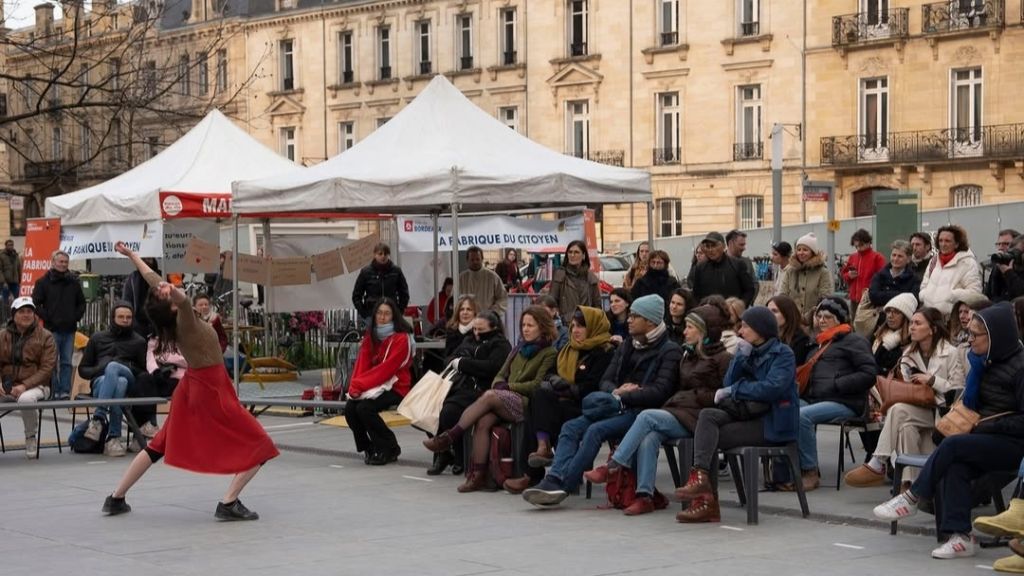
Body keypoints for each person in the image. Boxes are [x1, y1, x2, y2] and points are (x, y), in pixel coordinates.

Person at [103, 242, 279, 521]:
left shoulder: (175, 318)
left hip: (193, 386)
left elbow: (154, 281)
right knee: (261, 444)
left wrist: (132, 256)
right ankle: (229, 503)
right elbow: (182, 300)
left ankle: (116, 498)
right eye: (168, 293)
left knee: (158, 445)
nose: (169, 286)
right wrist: (170, 291)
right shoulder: (186, 321)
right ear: (172, 306)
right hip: (211, 389)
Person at [874, 302, 1024, 560]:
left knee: (954, 447)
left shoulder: (1020, 367)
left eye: (976, 335)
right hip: (985, 438)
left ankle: (912, 497)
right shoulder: (982, 363)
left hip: (1013, 444)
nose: (970, 340)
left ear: (996, 336)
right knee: (955, 466)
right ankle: (960, 537)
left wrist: (985, 425)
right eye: (969, 334)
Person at [521, 294, 682, 507]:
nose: (629, 320)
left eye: (635, 316)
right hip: (613, 404)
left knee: (594, 431)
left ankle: (564, 485)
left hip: (641, 412)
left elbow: (661, 391)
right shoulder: (627, 346)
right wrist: (617, 392)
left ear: (650, 321)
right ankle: (553, 478)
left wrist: (626, 396)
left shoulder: (669, 350)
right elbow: (605, 380)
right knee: (571, 427)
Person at [593, 302, 732, 515]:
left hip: (698, 418)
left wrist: (692, 396)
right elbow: (678, 387)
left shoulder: (723, 359)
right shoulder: (689, 355)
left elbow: (722, 395)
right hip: (680, 411)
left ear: (704, 331)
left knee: (647, 416)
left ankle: (614, 465)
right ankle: (644, 495)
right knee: (649, 437)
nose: (684, 331)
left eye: (690, 327)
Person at [675, 306, 798, 523]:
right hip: (744, 412)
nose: (740, 331)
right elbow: (727, 383)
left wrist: (737, 390)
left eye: (746, 327)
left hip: (771, 422)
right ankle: (701, 480)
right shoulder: (747, 350)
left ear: (761, 329)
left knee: (709, 439)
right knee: (707, 416)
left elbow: (771, 388)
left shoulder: (783, 354)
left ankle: (706, 502)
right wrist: (740, 357)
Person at [424, 306, 557, 493]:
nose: (525, 329)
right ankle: (477, 475)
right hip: (503, 398)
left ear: (542, 327)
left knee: (489, 395)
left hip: (524, 402)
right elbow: (499, 375)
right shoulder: (518, 348)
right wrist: (500, 385)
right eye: (523, 325)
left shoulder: (549, 352)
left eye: (530, 325)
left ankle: (450, 436)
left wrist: (509, 387)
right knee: (483, 421)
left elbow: (536, 385)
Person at [845, 307, 964, 489]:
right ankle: (908, 485)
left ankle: (878, 462)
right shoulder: (908, 353)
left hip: (943, 413)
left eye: (918, 323)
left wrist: (932, 381)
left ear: (932, 329)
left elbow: (958, 391)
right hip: (918, 410)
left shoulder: (951, 352)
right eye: (912, 323)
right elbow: (910, 390)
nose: (912, 327)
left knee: (898, 410)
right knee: (906, 426)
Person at [512, 306, 615, 493]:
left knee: (544, 405)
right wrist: (554, 381)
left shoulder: (604, 352)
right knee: (537, 400)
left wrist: (567, 388)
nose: (575, 330)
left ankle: (535, 472)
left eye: (581, 326)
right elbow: (550, 373)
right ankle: (540, 452)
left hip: (586, 406)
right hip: (562, 401)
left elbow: (593, 387)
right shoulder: (568, 349)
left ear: (593, 327)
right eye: (573, 326)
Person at [797, 296, 878, 490]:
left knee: (801, 416)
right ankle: (788, 468)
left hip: (845, 401)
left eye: (828, 317)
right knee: (784, 407)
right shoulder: (817, 343)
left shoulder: (854, 341)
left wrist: (838, 384)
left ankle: (810, 471)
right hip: (816, 399)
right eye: (819, 316)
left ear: (840, 319)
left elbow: (869, 374)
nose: (822, 320)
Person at [427, 310, 511, 476]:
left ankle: (457, 456)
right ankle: (444, 453)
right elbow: (449, 359)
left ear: (493, 328)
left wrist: (464, 363)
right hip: (461, 387)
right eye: (475, 329)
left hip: (483, 391)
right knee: (436, 409)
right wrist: (458, 361)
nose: (477, 333)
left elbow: (491, 367)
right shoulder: (468, 339)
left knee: (451, 412)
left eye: (481, 329)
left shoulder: (500, 345)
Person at [345, 298, 415, 466]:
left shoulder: (401, 338)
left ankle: (388, 447)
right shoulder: (372, 336)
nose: (382, 317)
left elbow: (387, 369)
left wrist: (360, 385)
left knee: (364, 408)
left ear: (394, 316)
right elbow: (362, 364)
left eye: (387, 314)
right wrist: (355, 387)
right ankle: (368, 447)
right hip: (374, 385)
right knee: (350, 408)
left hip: (397, 386)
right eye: (379, 313)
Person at [78, 301, 148, 457]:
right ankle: (113, 438)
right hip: (101, 383)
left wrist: (124, 365)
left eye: (128, 317)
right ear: (112, 318)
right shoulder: (97, 338)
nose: (125, 320)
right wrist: (100, 368)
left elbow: (143, 371)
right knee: (118, 383)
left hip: (129, 377)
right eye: (121, 317)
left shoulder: (139, 341)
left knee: (115, 368)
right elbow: (83, 370)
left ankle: (98, 419)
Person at [0, 297, 56, 459]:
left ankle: (30, 436)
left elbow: (47, 368)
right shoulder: (2, 335)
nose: (26, 315)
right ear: (13, 315)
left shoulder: (46, 336)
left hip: (37, 386)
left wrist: (24, 385)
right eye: (21, 312)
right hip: (7, 384)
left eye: (29, 311)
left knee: (26, 399)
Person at [31, 250, 85, 400]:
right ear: (53, 262)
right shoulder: (42, 282)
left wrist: (76, 317)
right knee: (51, 362)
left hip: (69, 329)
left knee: (67, 361)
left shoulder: (73, 282)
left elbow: (81, 303)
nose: (63, 264)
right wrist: (48, 318)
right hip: (51, 329)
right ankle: (53, 390)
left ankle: (65, 391)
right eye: (60, 261)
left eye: (65, 262)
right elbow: (35, 303)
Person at [918, 224, 983, 316]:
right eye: (940, 240)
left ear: (957, 244)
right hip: (931, 317)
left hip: (952, 318)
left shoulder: (967, 263)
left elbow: (975, 293)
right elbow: (924, 285)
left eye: (947, 241)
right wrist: (925, 295)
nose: (943, 244)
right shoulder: (934, 260)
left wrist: (951, 295)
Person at [689, 232, 756, 306]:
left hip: (732, 313)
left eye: (714, 245)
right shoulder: (700, 268)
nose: (711, 250)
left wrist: (741, 305)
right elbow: (696, 294)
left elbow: (749, 290)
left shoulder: (737, 264)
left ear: (723, 246)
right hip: (708, 313)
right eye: (708, 246)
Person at [351, 243, 410, 323]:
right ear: (375, 255)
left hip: (391, 315)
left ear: (388, 255)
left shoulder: (396, 271)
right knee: (374, 335)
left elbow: (404, 293)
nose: (383, 256)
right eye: (380, 254)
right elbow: (356, 295)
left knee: (392, 335)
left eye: (385, 254)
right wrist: (364, 313)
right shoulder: (366, 272)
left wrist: (399, 311)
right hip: (372, 315)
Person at [781, 233, 834, 318]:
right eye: (799, 249)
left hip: (814, 320)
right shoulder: (790, 271)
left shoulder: (822, 272)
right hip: (792, 319)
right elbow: (783, 294)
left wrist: (809, 316)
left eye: (805, 250)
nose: (801, 253)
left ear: (812, 252)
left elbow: (825, 297)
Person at [549, 240, 602, 321]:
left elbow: (597, 305)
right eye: (570, 252)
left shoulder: (590, 278)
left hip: (586, 323)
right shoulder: (560, 275)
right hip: (566, 323)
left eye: (576, 252)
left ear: (583, 255)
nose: (572, 255)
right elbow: (552, 301)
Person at [842, 229, 887, 318]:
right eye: (856, 246)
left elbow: (883, 278)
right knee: (855, 324)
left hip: (869, 299)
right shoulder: (852, 257)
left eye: (861, 245)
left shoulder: (877, 258)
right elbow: (844, 274)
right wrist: (849, 275)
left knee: (867, 325)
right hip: (854, 299)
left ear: (868, 242)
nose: (858, 248)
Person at [871, 293, 917, 375]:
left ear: (906, 317)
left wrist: (886, 345)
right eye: (888, 311)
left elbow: (879, 363)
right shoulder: (879, 332)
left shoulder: (909, 341)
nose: (890, 316)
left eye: (896, 312)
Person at [868, 240, 921, 309]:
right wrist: (901, 294)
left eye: (900, 256)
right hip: (879, 317)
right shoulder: (879, 276)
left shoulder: (914, 279)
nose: (895, 259)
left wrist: (884, 295)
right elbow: (873, 296)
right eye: (894, 255)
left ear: (908, 259)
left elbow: (913, 300)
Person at [459, 245, 508, 318]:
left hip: (487, 320)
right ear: (467, 260)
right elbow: (454, 299)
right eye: (472, 260)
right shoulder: (461, 278)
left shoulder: (493, 277)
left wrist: (492, 313)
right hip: (466, 320)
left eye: (477, 259)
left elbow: (502, 298)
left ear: (482, 259)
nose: (475, 262)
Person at [632, 250, 681, 317]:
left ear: (665, 264)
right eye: (653, 262)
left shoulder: (672, 282)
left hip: (666, 316)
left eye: (659, 263)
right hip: (645, 317)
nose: (655, 265)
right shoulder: (641, 282)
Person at [122, 258, 160, 338]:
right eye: (144, 259)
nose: (146, 262)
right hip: (138, 325)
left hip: (158, 323)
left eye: (149, 259)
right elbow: (127, 301)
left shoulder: (160, 276)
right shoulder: (132, 278)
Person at [768, 294, 812, 365]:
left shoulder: (801, 340)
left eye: (775, 311)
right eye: (767, 311)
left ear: (787, 313)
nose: (769, 314)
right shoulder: (764, 336)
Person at [986, 229, 1024, 302]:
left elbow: (1020, 294)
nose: (1000, 248)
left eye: (1006, 244)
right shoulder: (998, 267)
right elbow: (990, 295)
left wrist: (1008, 272)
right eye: (998, 244)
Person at [0, 239, 22, 305]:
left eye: (12, 245)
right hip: (5, 282)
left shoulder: (15, 255)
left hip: (15, 282)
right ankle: (5, 315)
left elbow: (19, 268)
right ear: (6, 246)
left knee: (17, 300)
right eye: (9, 245)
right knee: (5, 300)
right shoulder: (1, 256)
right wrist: (3, 282)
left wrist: (19, 280)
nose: (11, 246)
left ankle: (15, 313)